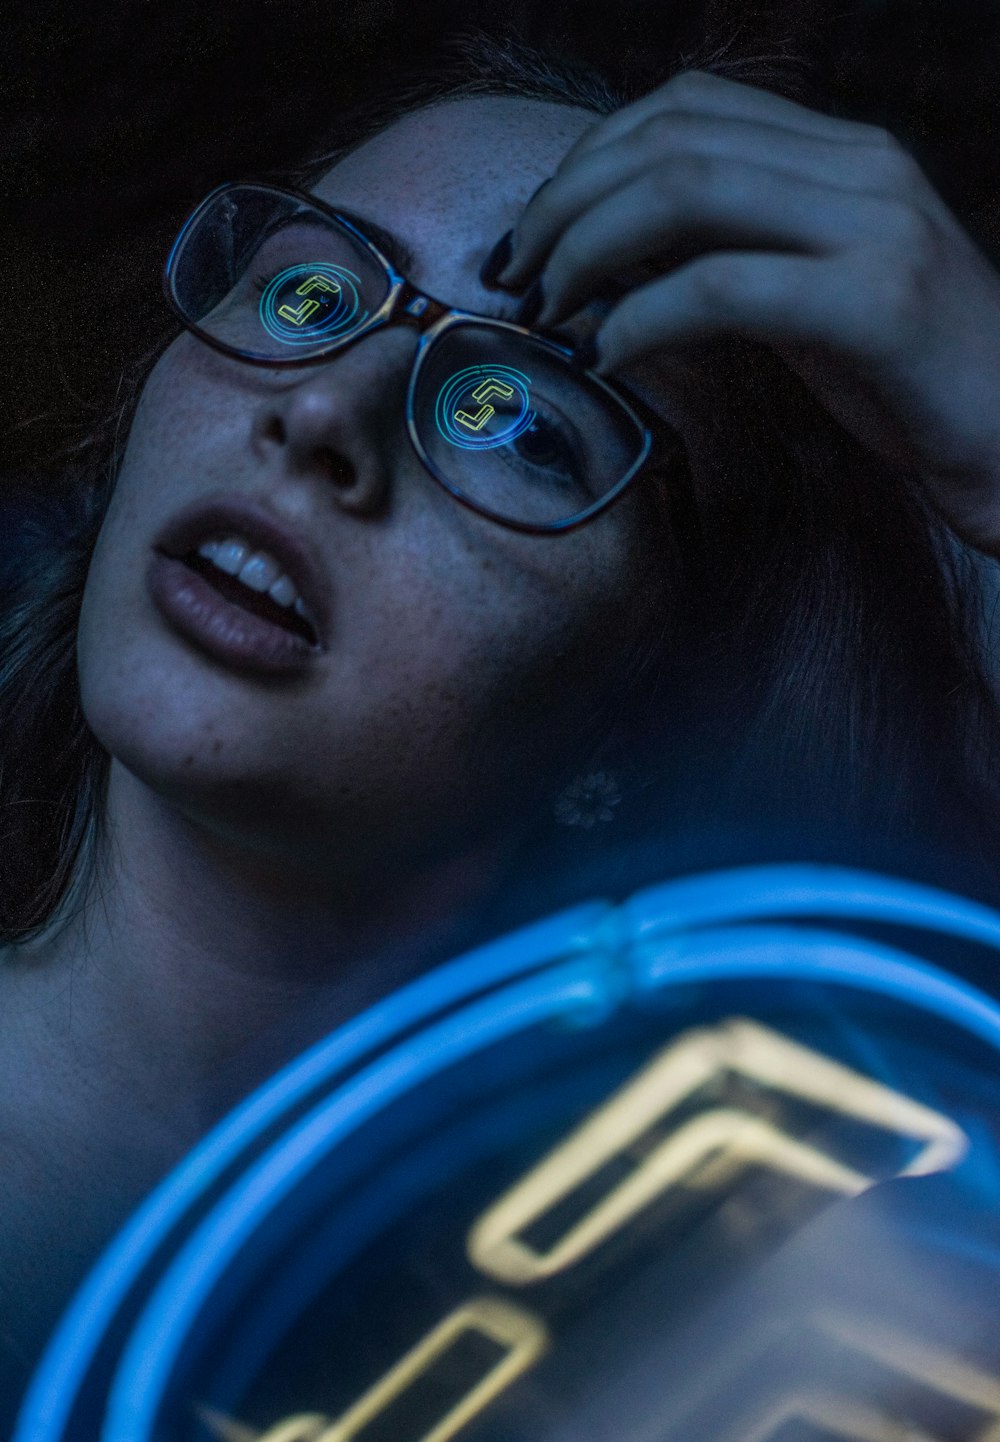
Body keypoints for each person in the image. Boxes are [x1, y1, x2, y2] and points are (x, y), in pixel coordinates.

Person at [3, 27, 1000, 1417]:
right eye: (305, 292)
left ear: (647, 703)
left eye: (517, 420)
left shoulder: (736, 1318)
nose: (326, 413)